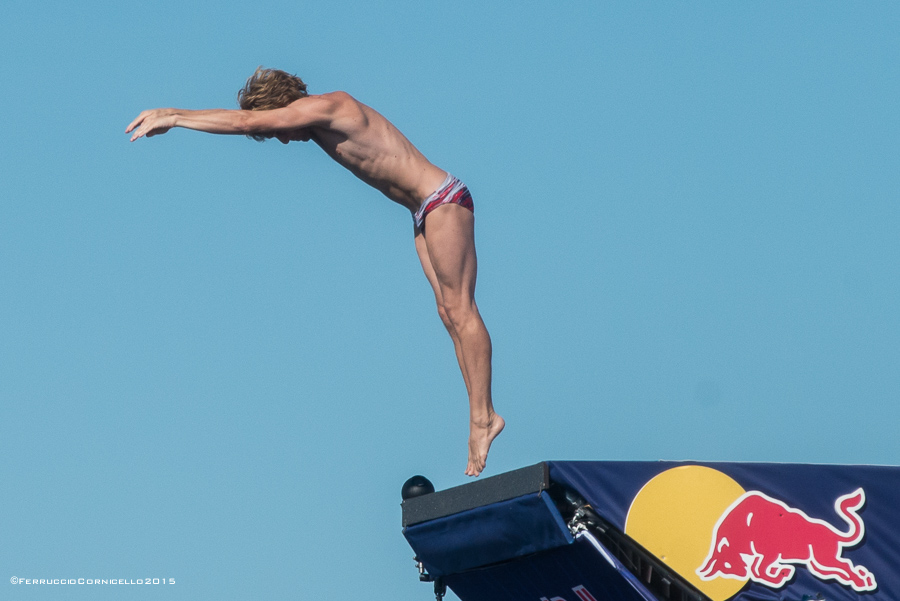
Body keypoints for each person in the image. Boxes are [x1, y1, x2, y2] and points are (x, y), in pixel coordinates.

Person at [127, 67, 504, 476]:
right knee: (448, 314)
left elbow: (245, 120)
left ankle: (483, 419)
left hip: (441, 200)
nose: (285, 139)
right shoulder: (319, 115)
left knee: (461, 310)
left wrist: (174, 115)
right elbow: (255, 123)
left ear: (283, 106)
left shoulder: (328, 107)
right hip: (421, 211)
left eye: (279, 130)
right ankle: (479, 414)